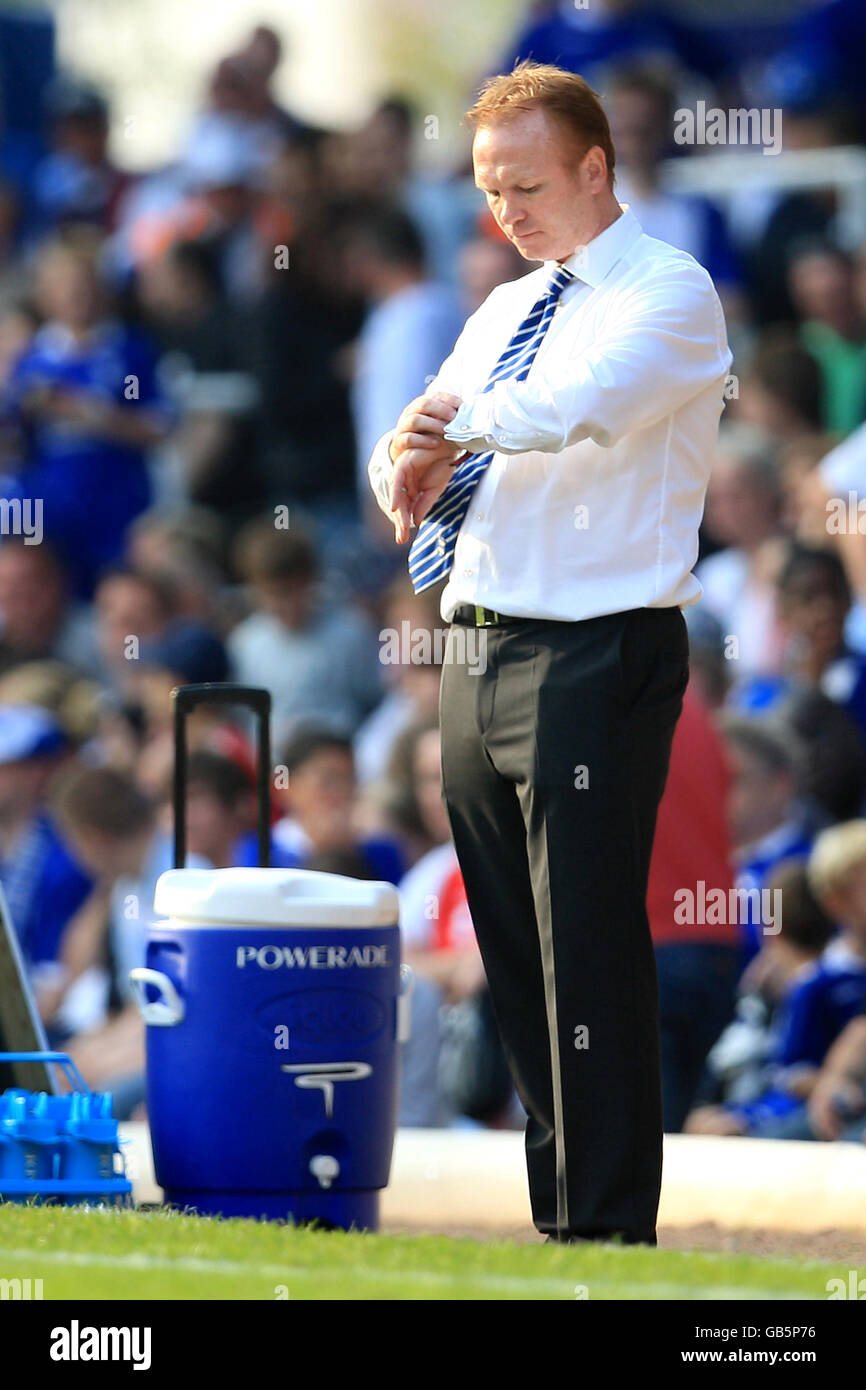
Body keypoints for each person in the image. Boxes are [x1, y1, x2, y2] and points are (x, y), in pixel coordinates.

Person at [368, 61, 732, 1244]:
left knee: (583, 940)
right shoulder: (502, 304)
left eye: (525, 184)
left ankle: (608, 1222)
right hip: (479, 643)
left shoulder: (667, 289)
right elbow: (423, 425)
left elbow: (574, 401)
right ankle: (560, 1212)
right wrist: (400, 462)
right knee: (514, 948)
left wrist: (451, 427)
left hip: (595, 645)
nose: (504, 212)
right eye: (486, 190)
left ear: (593, 167)